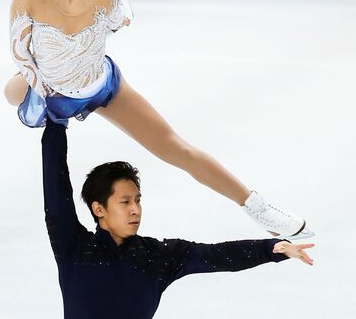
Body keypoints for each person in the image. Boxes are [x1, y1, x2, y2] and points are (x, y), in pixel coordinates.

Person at [5, 0, 313, 239]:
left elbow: (114, 24)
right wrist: (48, 87)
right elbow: (21, 55)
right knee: (12, 94)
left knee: (174, 147)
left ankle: (258, 208)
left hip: (101, 85)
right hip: (51, 88)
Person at [42, 118, 314, 319]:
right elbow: (56, 190)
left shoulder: (155, 257)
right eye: (125, 202)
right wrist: (56, 125)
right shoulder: (75, 248)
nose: (135, 209)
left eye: (137, 200)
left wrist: (271, 249)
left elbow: (215, 255)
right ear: (98, 208)